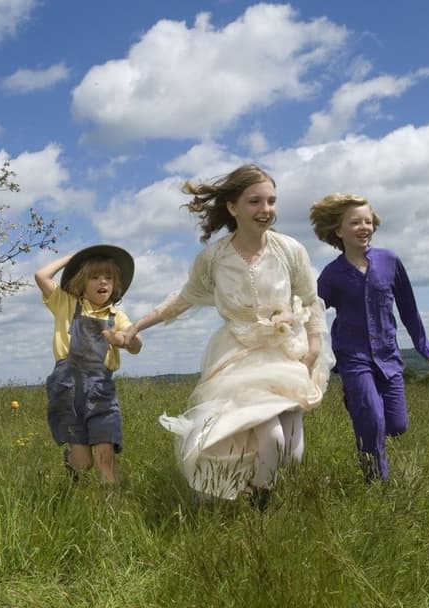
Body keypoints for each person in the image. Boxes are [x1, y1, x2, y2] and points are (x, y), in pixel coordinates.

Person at [108, 164, 333, 508]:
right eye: (255, 202)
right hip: (238, 355)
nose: (266, 210)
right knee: (269, 434)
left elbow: (310, 299)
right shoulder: (214, 258)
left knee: (292, 451)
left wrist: (314, 346)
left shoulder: (290, 250)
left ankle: (253, 488)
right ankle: (258, 505)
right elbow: (180, 300)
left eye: (271, 201)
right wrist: (135, 327)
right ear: (233, 207)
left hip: (286, 354)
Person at [309, 193, 429, 482]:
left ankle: (362, 409)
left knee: (397, 424)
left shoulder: (389, 261)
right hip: (353, 356)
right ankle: (376, 481)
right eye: (355, 222)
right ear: (339, 231)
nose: (364, 227)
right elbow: (312, 310)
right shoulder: (332, 274)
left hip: (388, 355)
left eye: (368, 221)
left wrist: (422, 342)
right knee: (372, 419)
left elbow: (407, 304)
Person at [34, 245, 143, 486]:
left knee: (106, 457)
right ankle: (71, 462)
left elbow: (136, 345)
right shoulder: (66, 304)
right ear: (81, 282)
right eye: (94, 276)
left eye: (109, 277)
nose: (102, 281)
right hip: (67, 388)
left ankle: (111, 509)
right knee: (84, 462)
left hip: (101, 389)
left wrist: (125, 340)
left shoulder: (118, 317)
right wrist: (73, 257)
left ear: (116, 285)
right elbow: (41, 276)